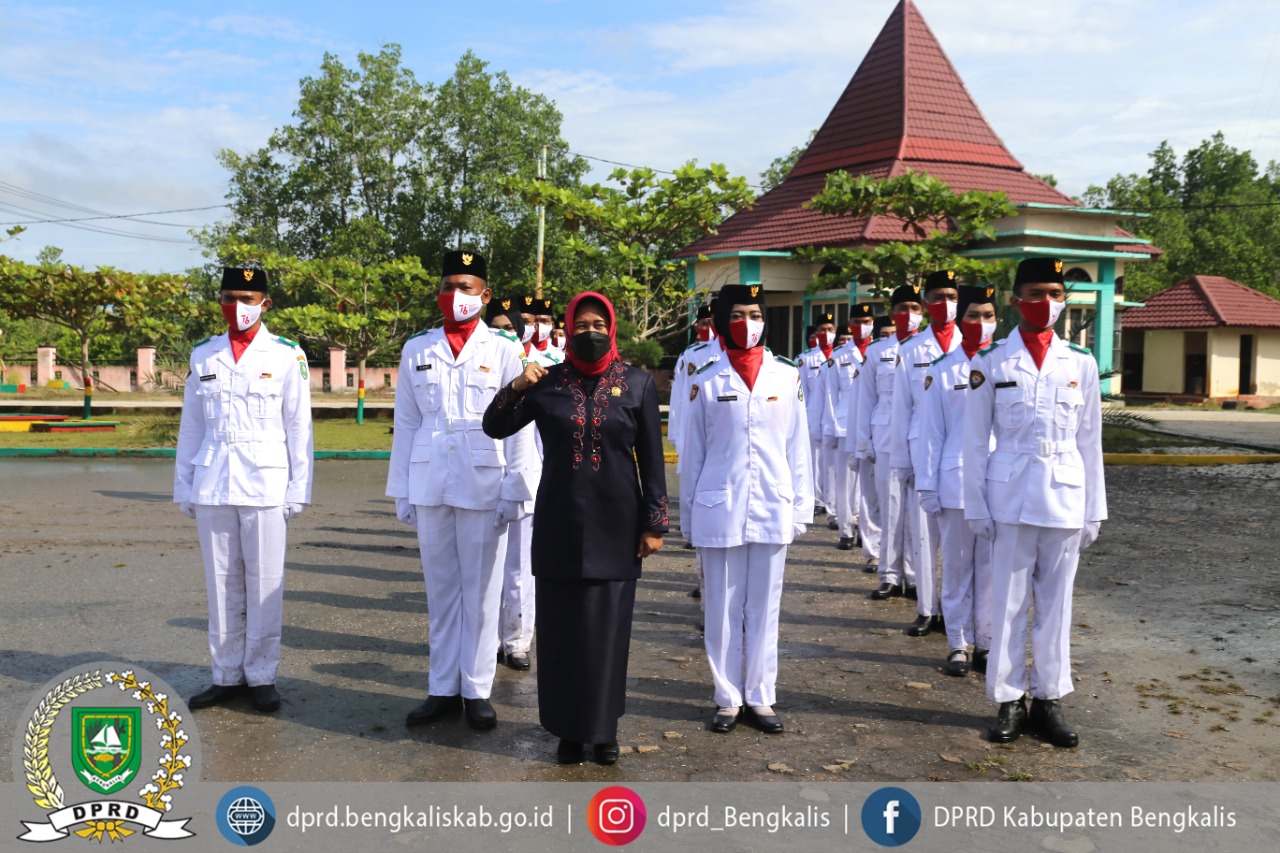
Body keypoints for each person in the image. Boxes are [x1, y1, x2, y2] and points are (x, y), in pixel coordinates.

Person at [483, 291, 668, 766]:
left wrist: (654, 523)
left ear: (612, 328)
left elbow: (652, 459)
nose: (590, 333)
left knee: (608, 634)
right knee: (562, 634)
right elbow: (494, 426)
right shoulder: (548, 382)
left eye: (598, 325)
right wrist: (517, 386)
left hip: (617, 526)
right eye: (581, 325)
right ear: (567, 329)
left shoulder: (637, 383)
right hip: (559, 523)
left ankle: (603, 732)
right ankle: (567, 730)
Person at [386, 250, 534, 730]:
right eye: (448, 286)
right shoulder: (418, 348)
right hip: (430, 480)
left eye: (466, 287)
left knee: (483, 592)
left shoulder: (505, 349)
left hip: (485, 481)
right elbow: (407, 423)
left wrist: (517, 488)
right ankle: (442, 688)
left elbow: (520, 426)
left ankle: (477, 689)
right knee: (442, 591)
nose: (456, 295)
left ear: (485, 295)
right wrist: (402, 489)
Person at [963, 257, 1106, 748]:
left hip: (1066, 495)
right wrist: (976, 505)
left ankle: (1049, 699)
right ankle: (1009, 700)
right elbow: (974, 441)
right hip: (1009, 495)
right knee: (1008, 604)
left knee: (1056, 605)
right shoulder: (990, 362)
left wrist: (1095, 509)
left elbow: (1090, 441)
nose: (1047, 302)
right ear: (1015, 299)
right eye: (1036, 293)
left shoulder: (1080, 363)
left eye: (1055, 294)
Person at [175, 266, 313, 714]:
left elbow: (298, 426)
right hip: (213, 479)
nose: (237, 306)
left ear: (265, 304)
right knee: (221, 584)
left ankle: (262, 675)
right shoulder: (204, 355)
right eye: (229, 297)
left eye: (247, 298)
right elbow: (191, 426)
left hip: (266, 481)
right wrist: (184, 486)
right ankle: (226, 675)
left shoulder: (286, 354)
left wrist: (298, 487)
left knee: (264, 582)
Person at [682, 284, 812, 735]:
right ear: (721, 320)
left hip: (773, 502)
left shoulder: (787, 375)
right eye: (737, 314)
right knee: (721, 608)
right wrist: (688, 518)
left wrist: (801, 508)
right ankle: (727, 698)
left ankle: (760, 695)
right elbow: (693, 454)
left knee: (764, 606)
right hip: (718, 506)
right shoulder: (705, 377)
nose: (747, 323)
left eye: (755, 314)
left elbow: (799, 447)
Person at [917, 284, 999, 677]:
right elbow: (930, 432)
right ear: (960, 319)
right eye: (973, 315)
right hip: (955, 481)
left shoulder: (1005, 364)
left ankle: (987, 641)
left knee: (992, 570)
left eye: (989, 315)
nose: (981, 323)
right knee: (956, 567)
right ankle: (958, 643)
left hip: (1000, 481)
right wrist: (928, 485)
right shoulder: (940, 370)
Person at [891, 270, 962, 636]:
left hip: (963, 449)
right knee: (923, 534)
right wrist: (902, 461)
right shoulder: (910, 350)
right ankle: (927, 608)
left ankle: (956, 613)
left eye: (951, 296)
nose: (945, 303)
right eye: (937, 297)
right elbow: (901, 408)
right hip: (922, 447)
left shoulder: (976, 345)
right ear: (926, 303)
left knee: (960, 541)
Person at [483, 297, 547, 672]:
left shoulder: (539, 371)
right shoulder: (481, 366)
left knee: (520, 569)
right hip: (484, 476)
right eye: (495, 328)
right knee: (487, 567)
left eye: (509, 328)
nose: (502, 334)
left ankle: (518, 640)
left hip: (525, 479)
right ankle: (488, 639)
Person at [855, 285, 923, 600]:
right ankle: (890, 575)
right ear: (893, 313)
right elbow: (865, 399)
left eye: (915, 307)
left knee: (918, 513)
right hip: (885, 438)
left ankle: (916, 576)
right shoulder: (876, 351)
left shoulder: (929, 348)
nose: (909, 314)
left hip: (921, 437)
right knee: (890, 509)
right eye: (902, 308)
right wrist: (863, 442)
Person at [822, 306, 874, 550]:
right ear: (850, 323)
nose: (862, 326)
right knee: (845, 483)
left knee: (869, 483)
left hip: (872, 425)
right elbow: (830, 395)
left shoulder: (879, 352)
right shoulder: (839, 356)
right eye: (857, 321)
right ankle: (845, 530)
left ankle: (867, 530)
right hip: (844, 425)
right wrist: (829, 429)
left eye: (867, 321)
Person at [800, 313, 836, 517]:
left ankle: (833, 501)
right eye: (823, 330)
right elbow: (802, 392)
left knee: (832, 461)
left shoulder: (840, 356)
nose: (827, 333)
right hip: (812, 413)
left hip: (834, 414)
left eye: (830, 329)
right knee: (815, 459)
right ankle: (817, 499)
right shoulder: (806, 359)